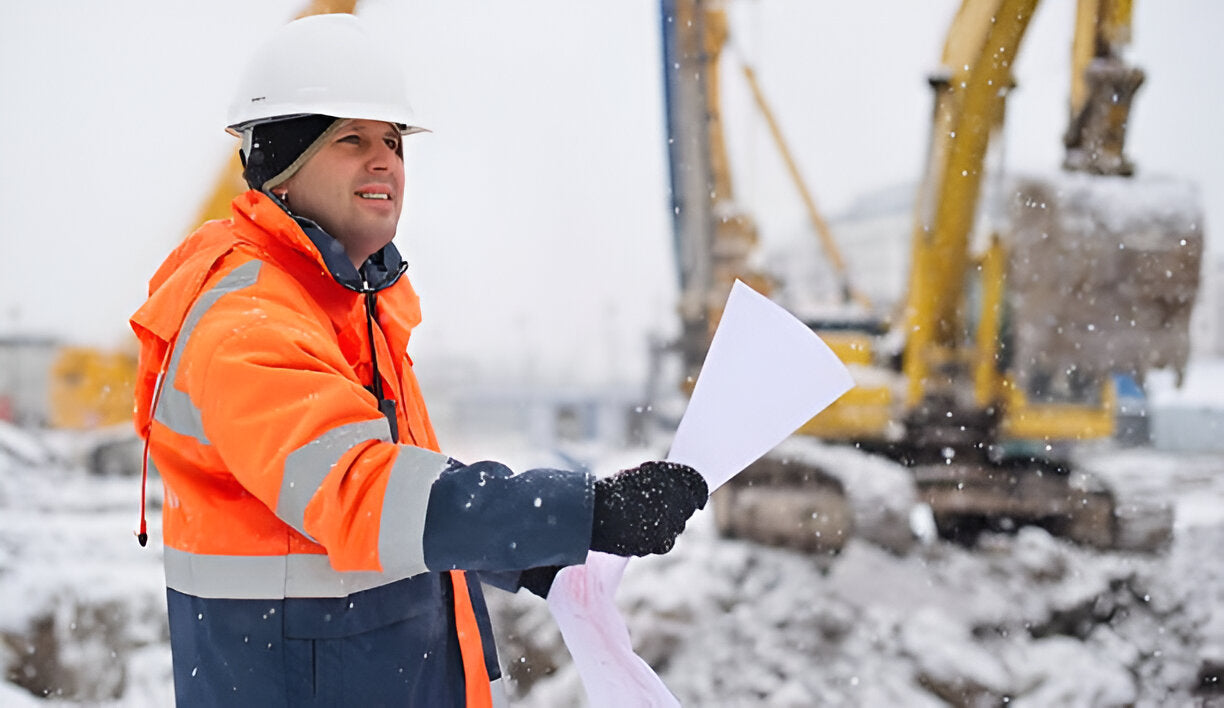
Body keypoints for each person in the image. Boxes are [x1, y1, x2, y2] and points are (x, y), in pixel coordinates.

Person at [129, 13, 707, 708]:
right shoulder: (247, 321)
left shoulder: (349, 303)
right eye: (352, 139)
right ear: (280, 160)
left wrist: (531, 556)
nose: (385, 161)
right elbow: (365, 495)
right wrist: (585, 511)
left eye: (394, 142)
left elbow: (409, 500)